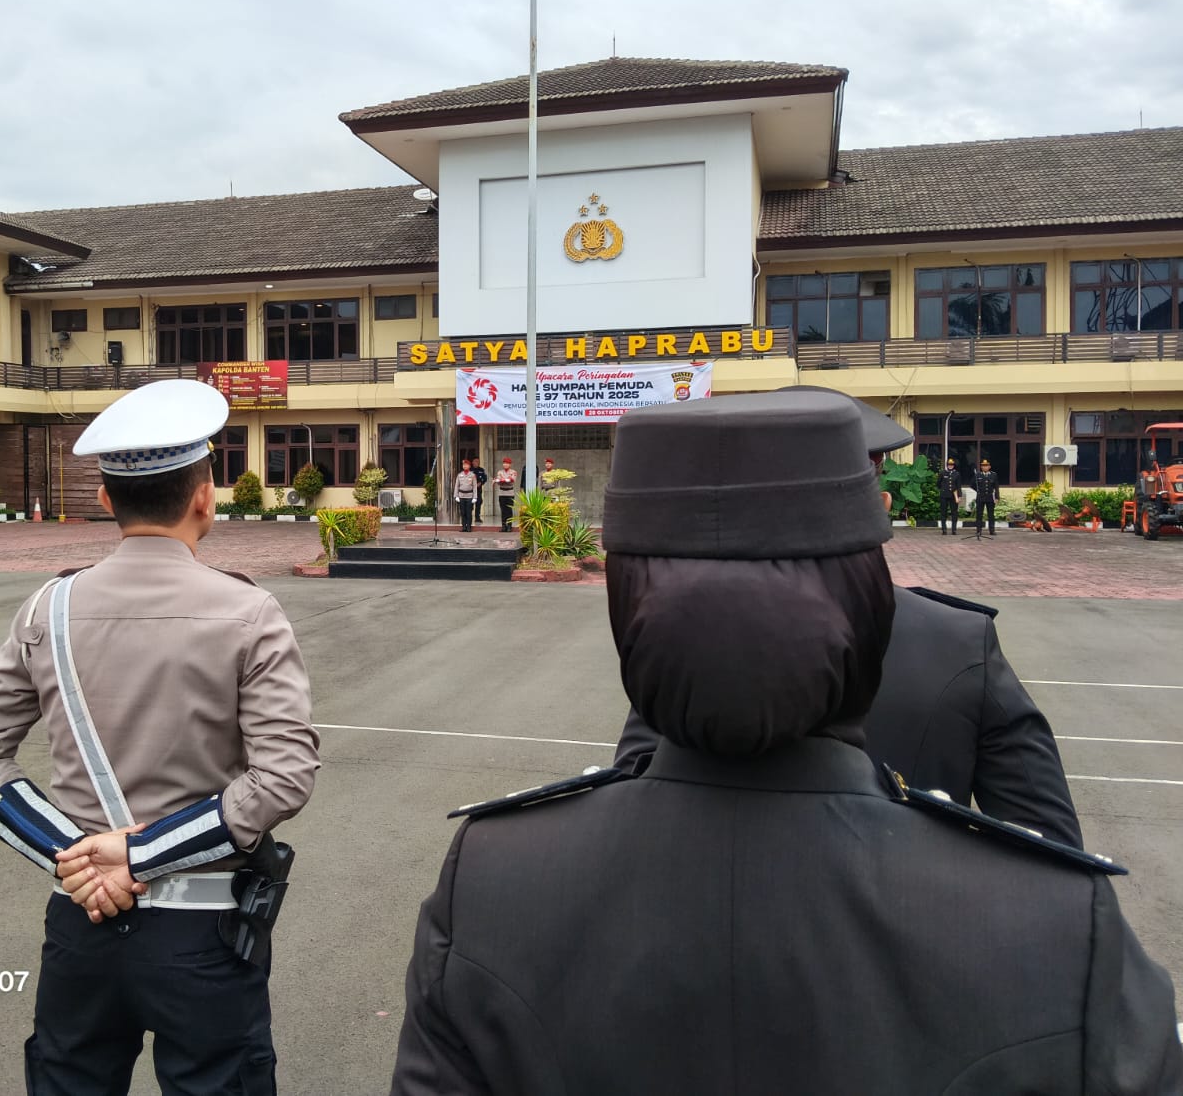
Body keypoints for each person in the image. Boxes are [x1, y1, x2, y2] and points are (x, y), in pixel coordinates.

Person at [391, 391, 1181, 1095]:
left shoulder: (492, 885)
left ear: (630, 613)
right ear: (871, 602)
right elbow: (1044, 826)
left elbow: (641, 759)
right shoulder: (1054, 923)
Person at [0, 378, 320, 1096]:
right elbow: (282, 776)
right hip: (202, 932)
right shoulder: (250, 612)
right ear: (205, 496)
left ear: (106, 498)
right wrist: (141, 855)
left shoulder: (48, 608)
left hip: (81, 922)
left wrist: (79, 861)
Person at [615, 389, 1083, 845]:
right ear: (877, 509)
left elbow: (631, 792)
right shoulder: (959, 642)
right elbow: (1050, 852)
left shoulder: (674, 632)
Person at [974, 456, 1001, 538]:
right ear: (981, 467)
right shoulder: (977, 475)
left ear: (989, 467)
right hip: (980, 497)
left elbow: (996, 487)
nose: (984, 467)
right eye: (983, 466)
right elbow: (972, 484)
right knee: (979, 515)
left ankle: (992, 530)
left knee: (991, 515)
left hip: (990, 497)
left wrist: (997, 497)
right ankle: (978, 531)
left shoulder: (994, 475)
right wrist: (978, 490)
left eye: (986, 466)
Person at [938, 456, 964, 535]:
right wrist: (943, 489)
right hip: (944, 495)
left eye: (952, 464)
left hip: (953, 495)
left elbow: (959, 486)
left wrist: (959, 496)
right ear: (947, 465)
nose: (950, 466)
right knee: (943, 512)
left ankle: (954, 530)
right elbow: (938, 483)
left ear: (954, 465)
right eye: (949, 464)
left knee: (954, 513)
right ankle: (944, 529)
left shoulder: (957, 474)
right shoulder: (942, 473)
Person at [452, 459, 478, 532]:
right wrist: (456, 496)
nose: (465, 466)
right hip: (461, 496)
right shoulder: (459, 475)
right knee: (462, 512)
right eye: (464, 465)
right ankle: (464, 527)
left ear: (469, 466)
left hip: (469, 496)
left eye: (466, 465)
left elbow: (475, 486)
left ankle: (469, 527)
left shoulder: (472, 475)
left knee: (468, 512)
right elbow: (456, 486)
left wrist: (475, 497)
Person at [493, 458, 518, 532]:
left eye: (507, 463)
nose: (505, 465)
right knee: (503, 510)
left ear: (510, 464)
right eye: (504, 463)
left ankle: (509, 526)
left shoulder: (513, 472)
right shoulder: (500, 472)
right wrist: (504, 480)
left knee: (509, 510)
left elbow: (512, 480)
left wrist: (503, 480)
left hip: (509, 493)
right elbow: (498, 482)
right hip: (502, 493)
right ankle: (503, 526)